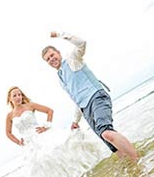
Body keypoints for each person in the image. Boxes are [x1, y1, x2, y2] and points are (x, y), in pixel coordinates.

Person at [42, 31, 140, 161]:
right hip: (85, 109)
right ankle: (133, 172)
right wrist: (75, 121)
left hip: (96, 97)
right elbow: (76, 99)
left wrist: (60, 35)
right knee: (111, 144)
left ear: (58, 53)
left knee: (106, 132)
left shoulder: (72, 59)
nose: (51, 59)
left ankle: (138, 160)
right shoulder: (60, 78)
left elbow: (82, 43)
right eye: (48, 59)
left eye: (52, 55)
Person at [5, 86, 109, 177]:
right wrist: (19, 142)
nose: (18, 97)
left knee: (55, 154)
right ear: (10, 99)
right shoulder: (9, 116)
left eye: (19, 94)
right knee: (42, 166)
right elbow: (8, 133)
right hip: (29, 146)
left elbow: (49, 111)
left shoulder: (29, 106)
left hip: (39, 136)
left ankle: (76, 175)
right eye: (15, 95)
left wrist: (46, 126)